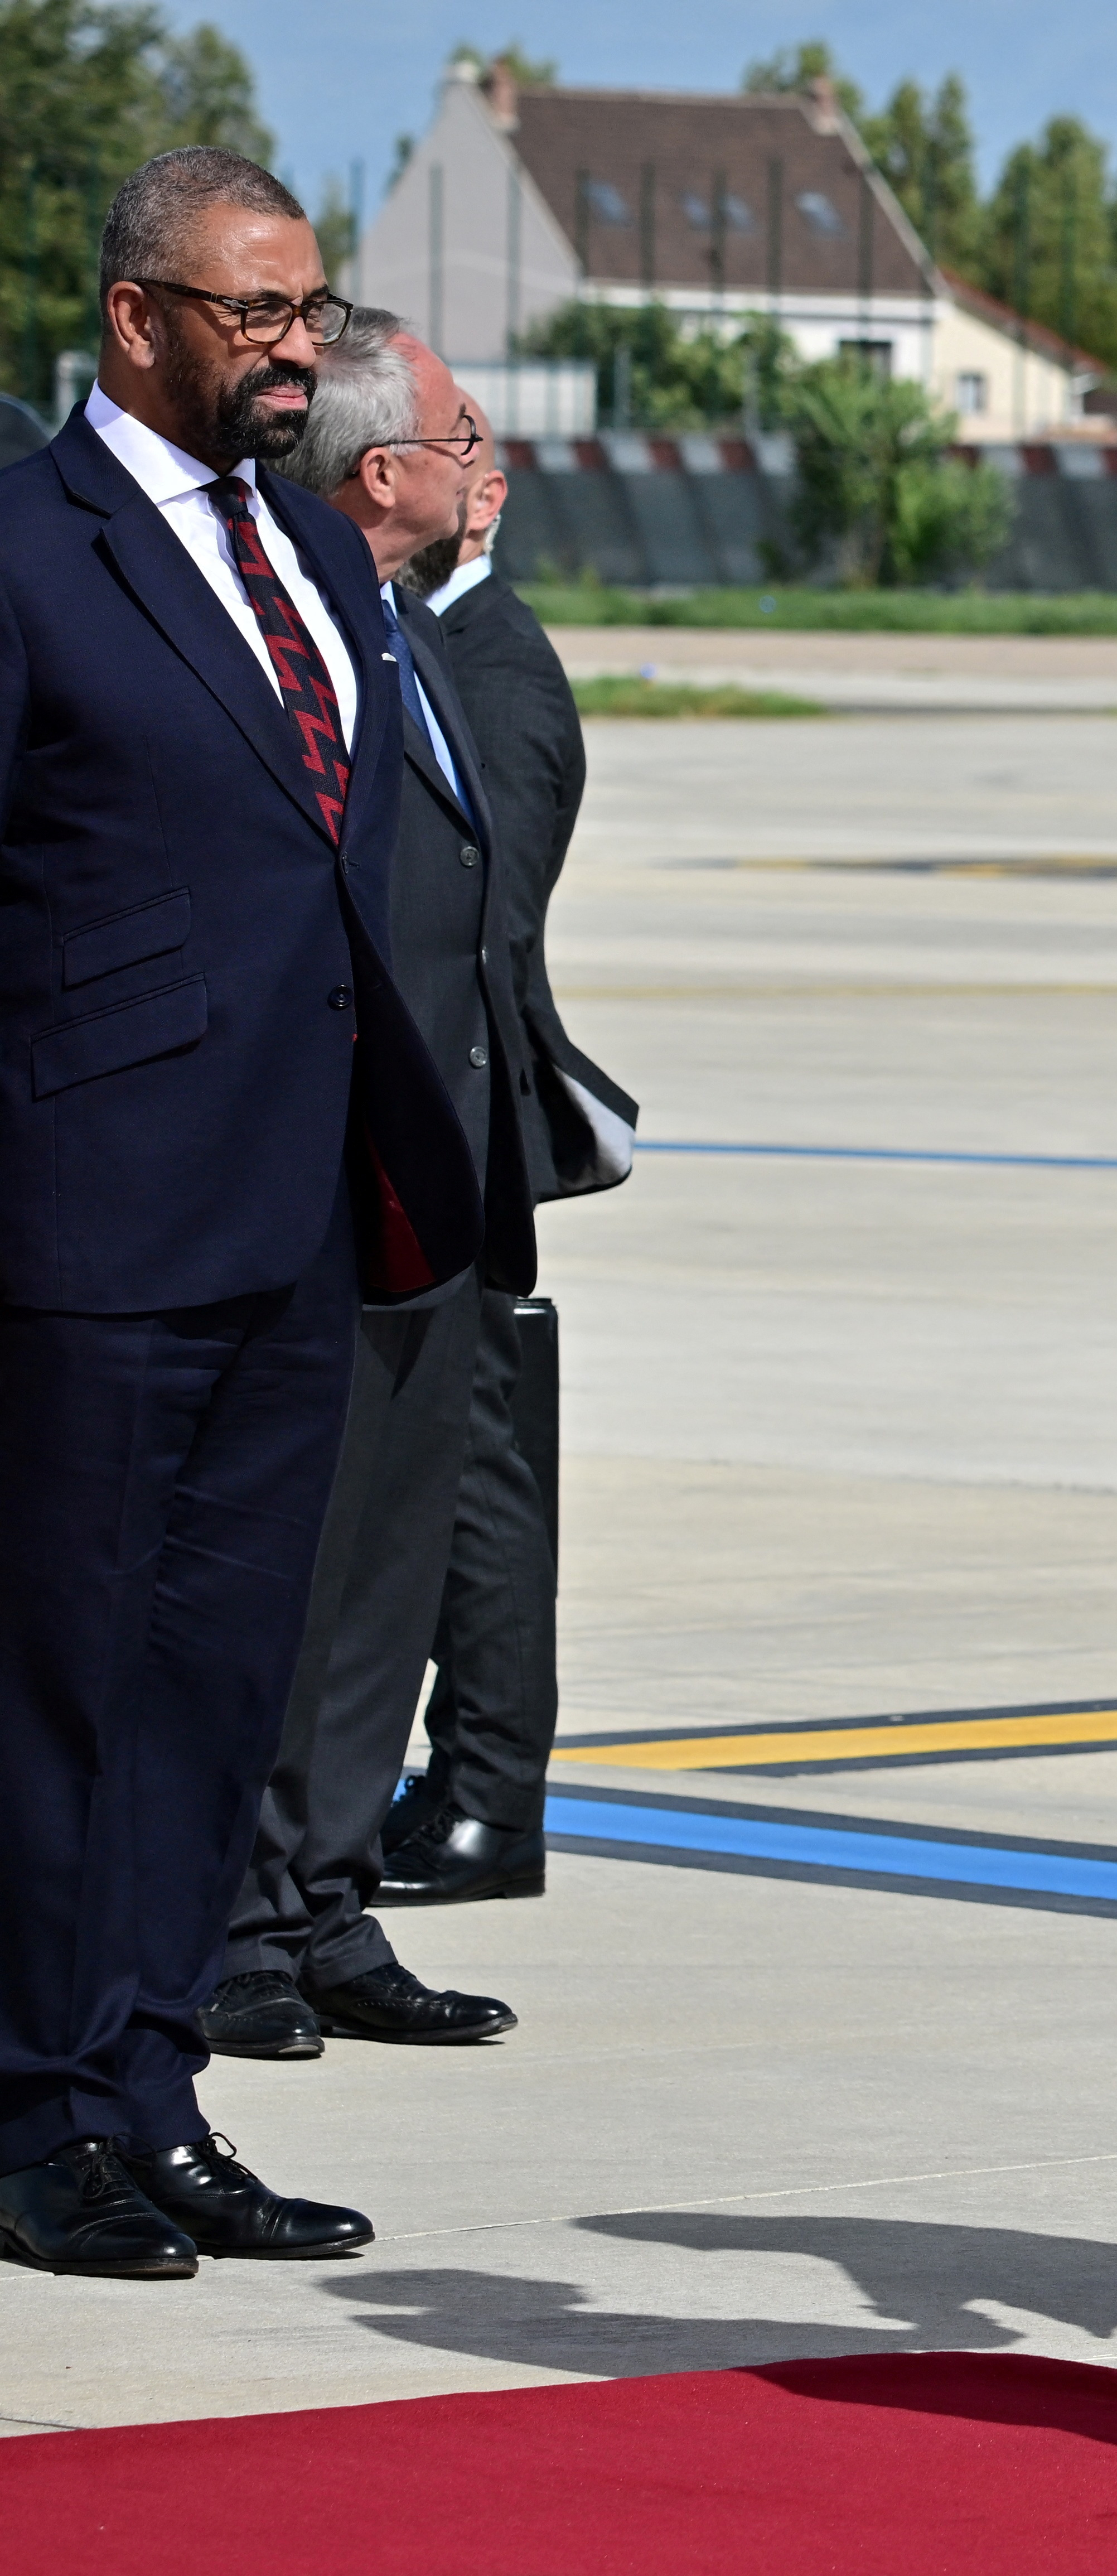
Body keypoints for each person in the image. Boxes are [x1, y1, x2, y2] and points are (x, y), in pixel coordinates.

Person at [0, 148, 478, 2278]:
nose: (298, 347)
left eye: (309, 310)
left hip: (297, 1200)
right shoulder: (29, 544)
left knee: (213, 1680)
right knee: (57, 1688)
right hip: (86, 1222)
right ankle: (29, 2109)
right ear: (136, 320)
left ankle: (150, 2083)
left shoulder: (307, 544)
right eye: (256, 313)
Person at [206, 316, 529, 2060]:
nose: (489, 463)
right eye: (461, 432)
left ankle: (330, 1904)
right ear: (382, 470)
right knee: (301, 1564)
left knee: (392, 1567)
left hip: (433, 1172)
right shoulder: (293, 631)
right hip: (315, 1170)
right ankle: (244, 1926)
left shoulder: (401, 629)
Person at [381, 426, 642, 1908]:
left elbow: (487, 922)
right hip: (431, 1146)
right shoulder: (429, 642)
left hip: (459, 1147)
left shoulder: (491, 665)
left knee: (481, 1483)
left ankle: (486, 1797)